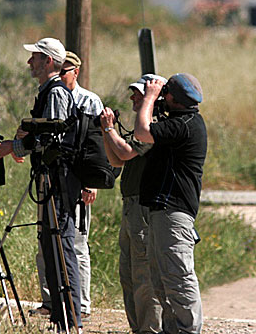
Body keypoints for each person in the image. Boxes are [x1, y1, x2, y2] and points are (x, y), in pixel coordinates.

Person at [0, 37, 82, 332]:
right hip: (49, 178)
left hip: (57, 179)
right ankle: (61, 317)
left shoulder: (55, 93)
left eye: (35, 57)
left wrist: (15, 147)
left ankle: (70, 318)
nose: (29, 62)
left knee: (60, 245)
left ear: (48, 61)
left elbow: (51, 137)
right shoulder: (48, 91)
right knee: (50, 244)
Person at [134, 73, 207, 334]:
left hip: (173, 212)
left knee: (178, 277)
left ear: (174, 98)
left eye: (166, 93)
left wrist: (150, 98)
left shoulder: (185, 124)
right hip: (164, 211)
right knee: (161, 279)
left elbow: (142, 132)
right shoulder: (180, 121)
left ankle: (188, 330)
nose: (162, 96)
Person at [100, 74, 164, 334]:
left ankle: (150, 329)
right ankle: (138, 327)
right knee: (127, 272)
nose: (132, 98)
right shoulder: (143, 126)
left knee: (143, 273)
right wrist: (105, 130)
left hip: (142, 207)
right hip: (130, 205)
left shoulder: (154, 126)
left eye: (138, 93)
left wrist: (109, 129)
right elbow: (117, 161)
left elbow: (125, 153)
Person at [60, 50, 103, 321]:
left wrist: (92, 182)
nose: (61, 76)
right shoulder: (51, 96)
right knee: (50, 243)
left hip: (80, 179)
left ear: (76, 72)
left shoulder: (89, 100)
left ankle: (82, 304)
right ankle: (53, 301)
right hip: (57, 178)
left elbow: (96, 145)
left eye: (65, 71)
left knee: (78, 242)